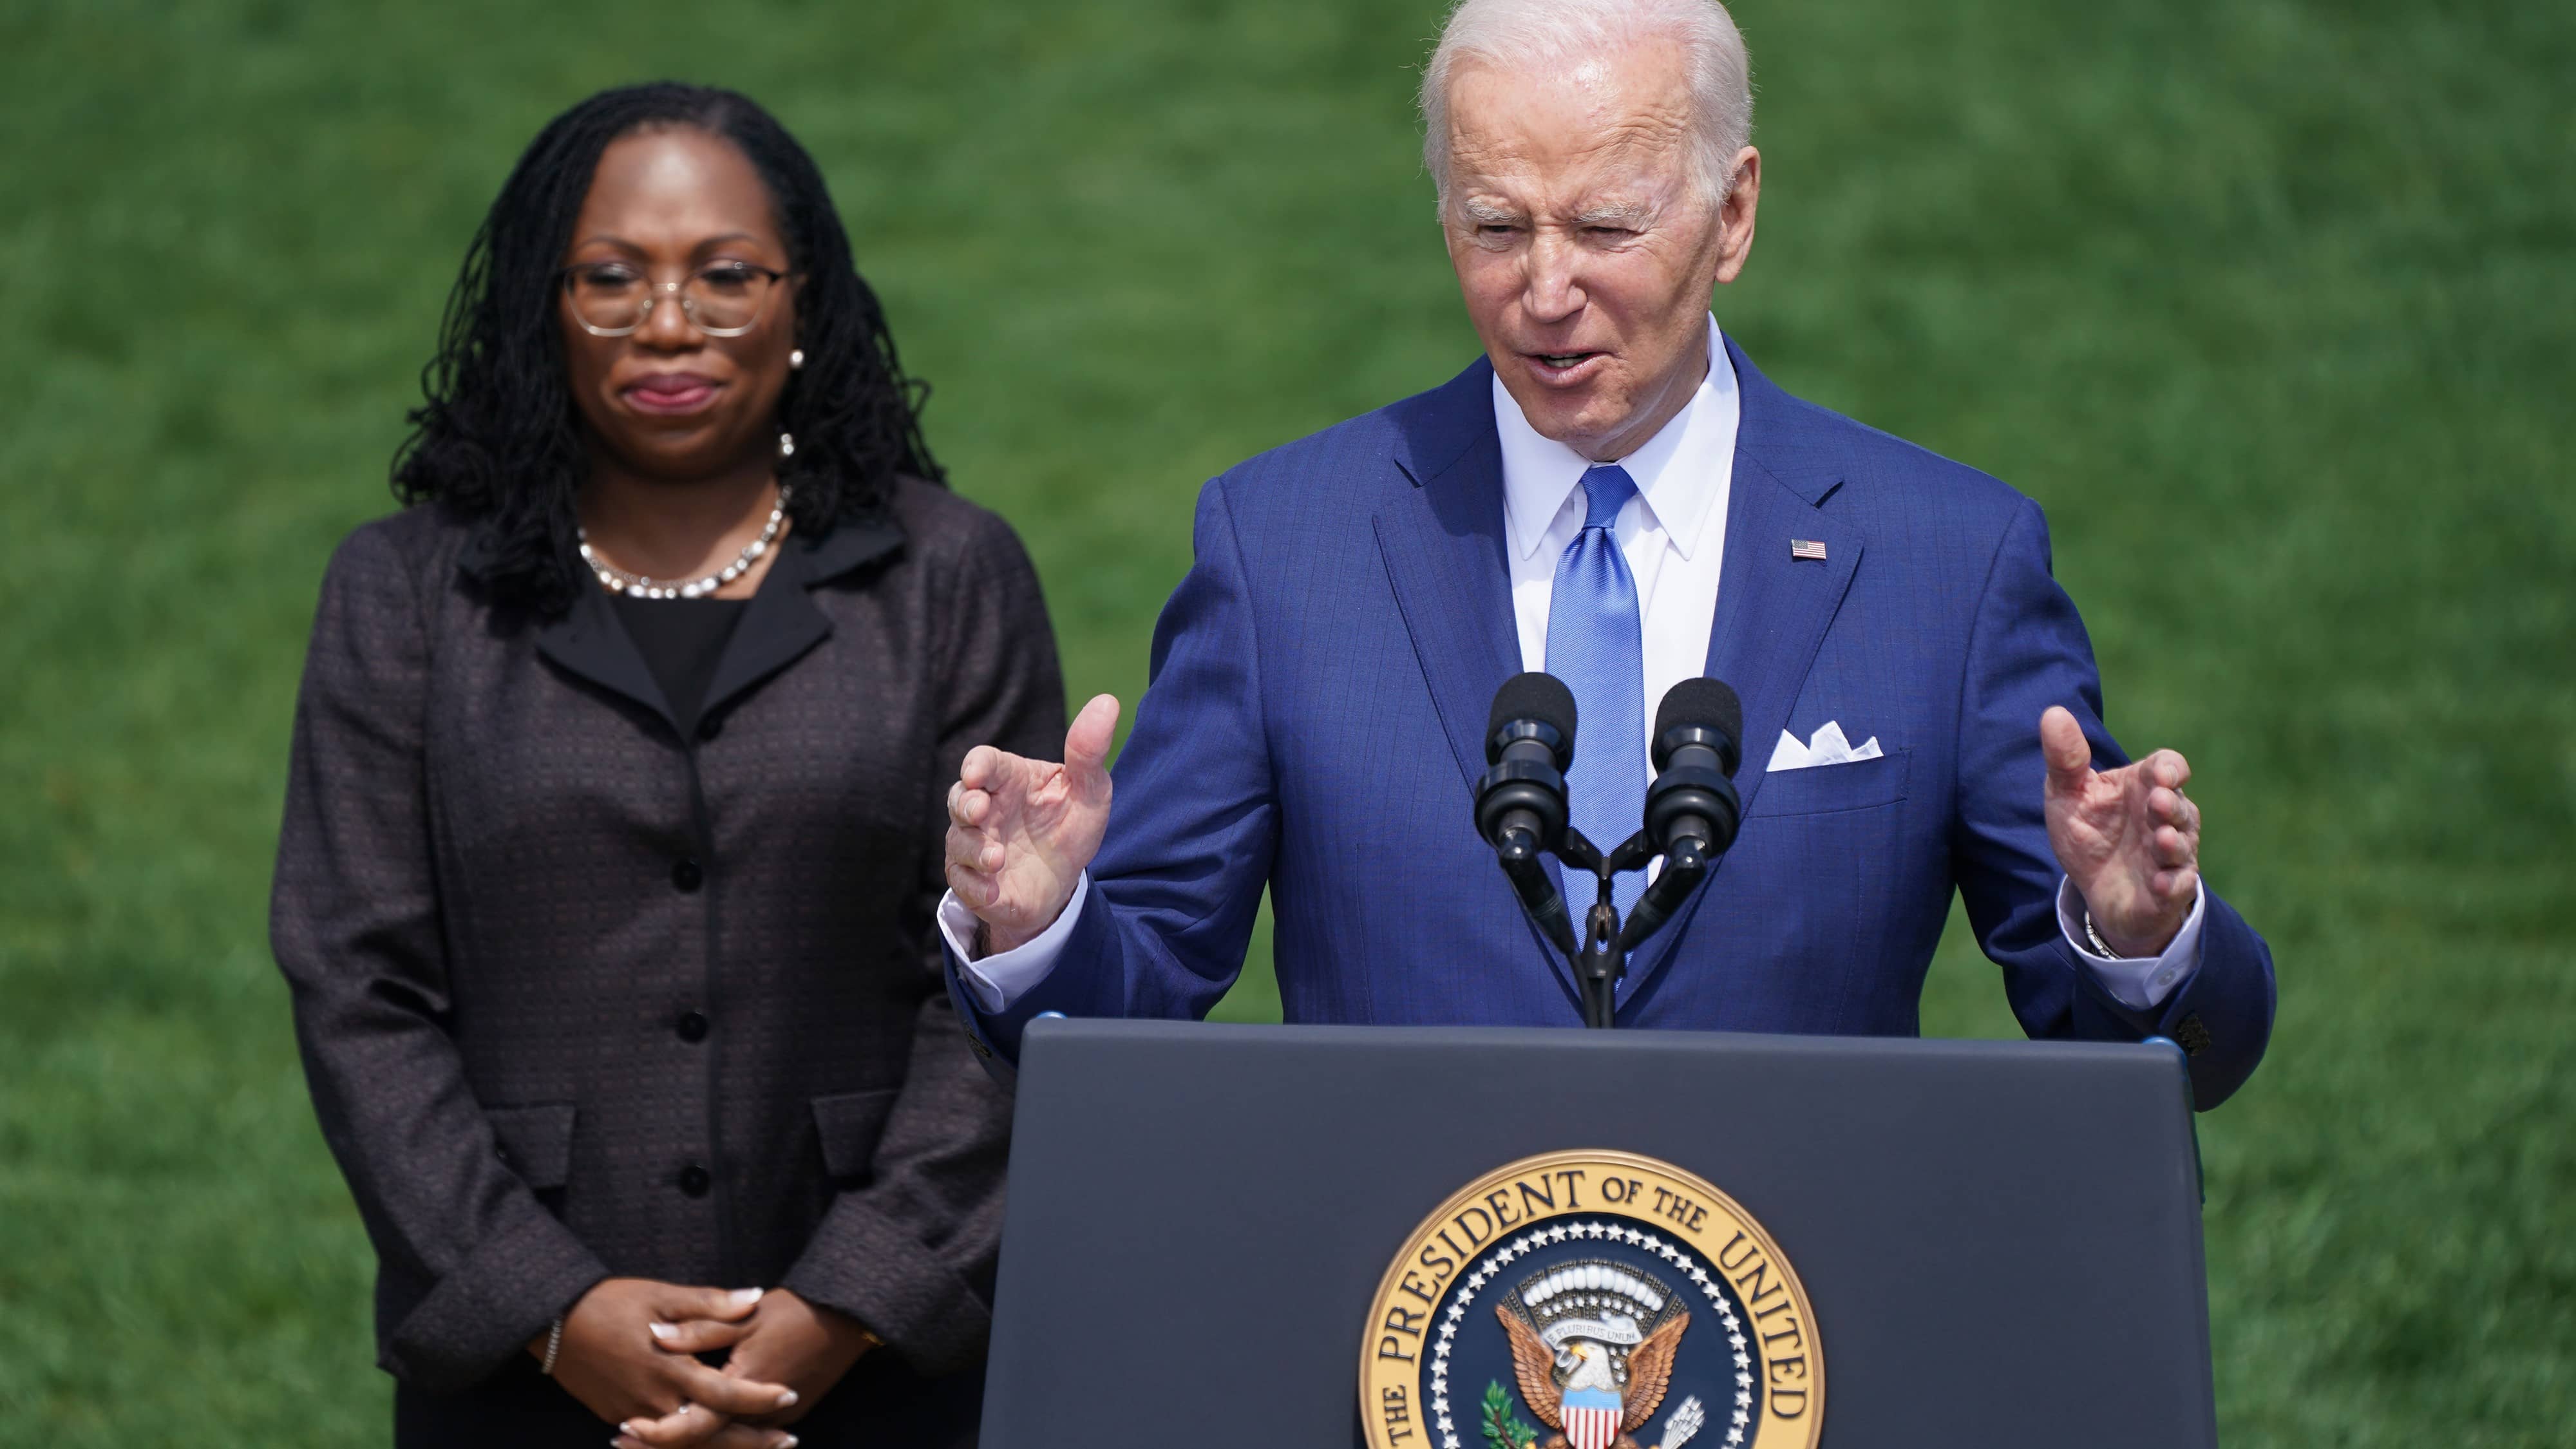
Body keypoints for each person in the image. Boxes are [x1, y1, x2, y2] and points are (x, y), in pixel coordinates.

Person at [939, 0, 2273, 1109]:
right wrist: (1040, 923)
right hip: (1405, 1345)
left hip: (1798, 1335)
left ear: (1732, 213)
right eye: (1494, 225)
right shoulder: (1284, 547)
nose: (1544, 289)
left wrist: (2134, 936)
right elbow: (1129, 1016)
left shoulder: (1944, 559)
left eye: (1604, 227)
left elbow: (2138, 1063)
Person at [271, 84, 1063, 1449]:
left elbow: (997, 972)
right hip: (526, 1374)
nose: (668, 322)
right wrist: (546, 1303)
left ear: (802, 297)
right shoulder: (403, 595)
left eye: (726, 274)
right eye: (610, 278)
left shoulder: (948, 576)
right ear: (543, 303)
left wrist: (847, 1299)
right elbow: (359, 985)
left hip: (879, 1371)